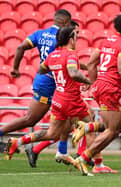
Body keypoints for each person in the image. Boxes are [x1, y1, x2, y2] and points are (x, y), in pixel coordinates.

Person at [5, 27, 104, 171]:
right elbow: (73, 73)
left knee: (52, 133)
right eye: (76, 36)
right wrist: (90, 82)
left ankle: (17, 141)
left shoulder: (53, 55)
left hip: (58, 99)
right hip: (72, 100)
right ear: (71, 39)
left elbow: (41, 69)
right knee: (90, 128)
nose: (77, 38)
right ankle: (96, 164)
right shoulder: (71, 55)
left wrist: (58, 72)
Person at [71, 14, 121, 176]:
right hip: (110, 89)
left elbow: (90, 63)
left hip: (100, 86)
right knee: (112, 129)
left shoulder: (105, 41)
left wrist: (94, 83)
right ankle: (83, 159)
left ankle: (88, 127)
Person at [0, 9, 75, 163]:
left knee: (68, 121)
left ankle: (58, 152)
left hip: (47, 81)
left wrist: (15, 68)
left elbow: (20, 47)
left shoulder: (40, 33)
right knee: (30, 119)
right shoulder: (62, 39)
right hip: (49, 83)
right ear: (67, 23)